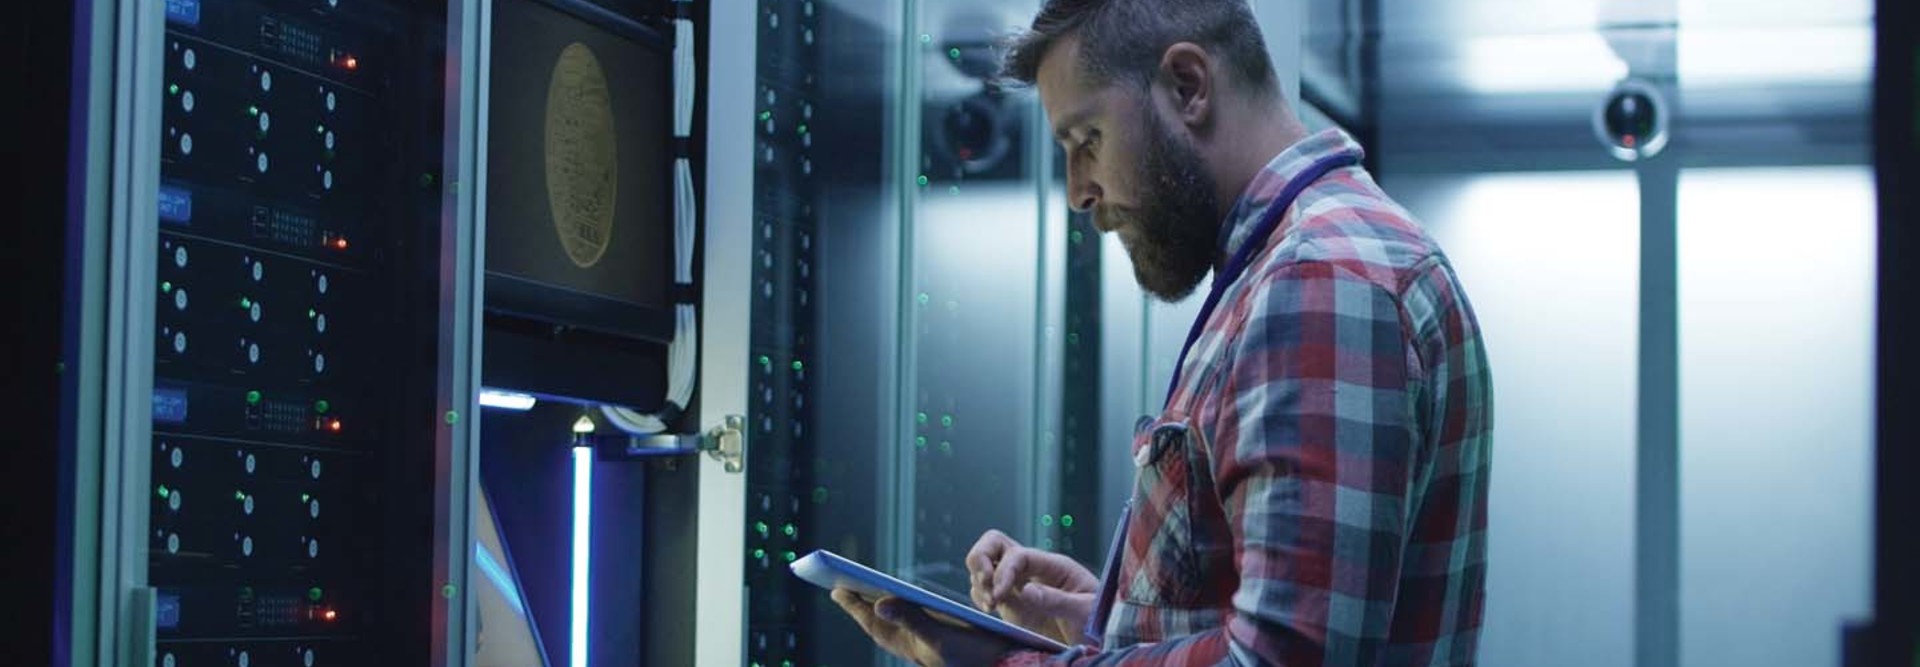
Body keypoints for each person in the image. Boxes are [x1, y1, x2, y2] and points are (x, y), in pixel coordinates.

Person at [831, 0, 1493, 664]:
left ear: (1188, 86)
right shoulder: (1302, 263)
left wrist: (1006, 664)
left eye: (1087, 140)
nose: (1077, 191)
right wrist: (1106, 617)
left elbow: (1280, 659)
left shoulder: (1315, 280)